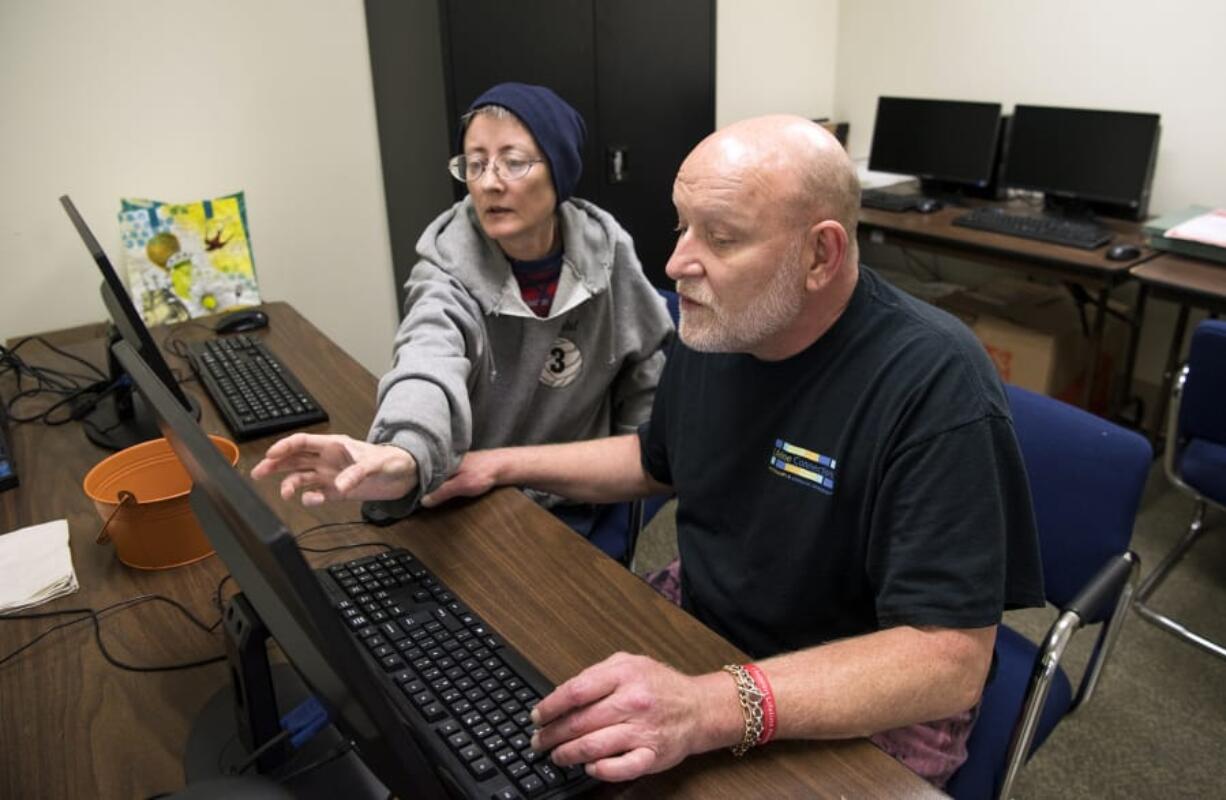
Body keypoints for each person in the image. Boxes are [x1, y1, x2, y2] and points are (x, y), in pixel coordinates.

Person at [418, 114, 1045, 788]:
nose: (677, 263)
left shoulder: (935, 381)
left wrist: (711, 706)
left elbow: (948, 664)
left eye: (719, 238)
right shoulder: (716, 324)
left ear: (820, 255)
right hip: (710, 622)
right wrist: (501, 464)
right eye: (683, 225)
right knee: (514, 719)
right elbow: (655, 464)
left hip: (859, 681)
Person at [251, 83, 673, 540]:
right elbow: (426, 362)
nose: (489, 182)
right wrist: (404, 452)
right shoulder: (447, 268)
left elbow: (647, 366)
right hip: (478, 499)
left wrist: (632, 487)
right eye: (475, 163)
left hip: (582, 496)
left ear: (560, 170)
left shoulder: (608, 251)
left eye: (514, 162)